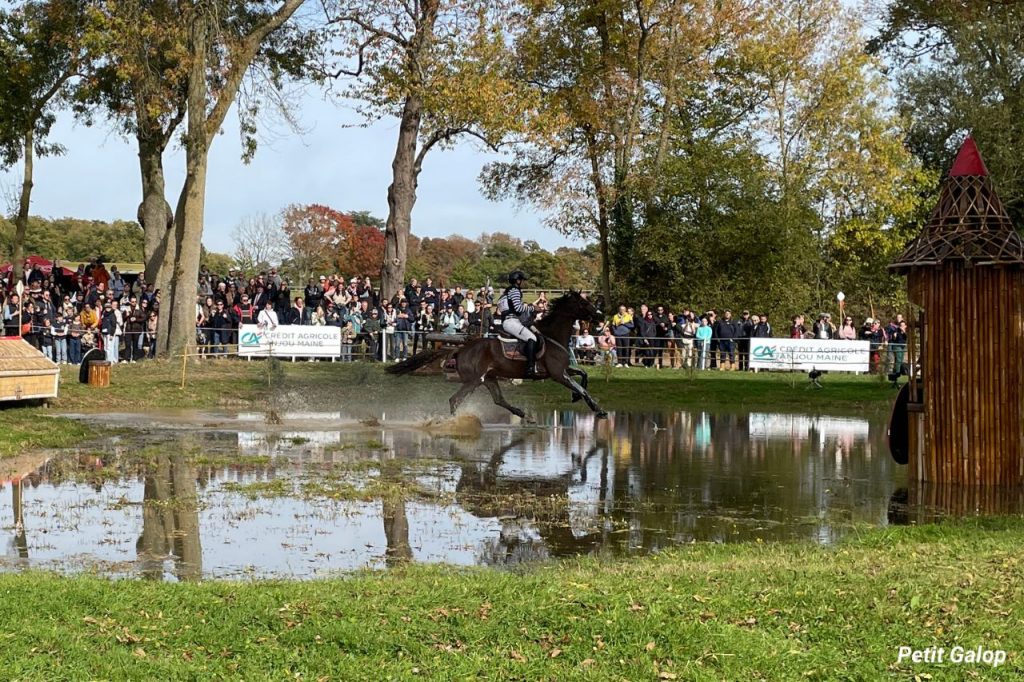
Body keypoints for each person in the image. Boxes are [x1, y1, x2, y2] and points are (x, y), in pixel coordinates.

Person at [497, 270, 540, 378]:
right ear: (518, 281)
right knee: (532, 338)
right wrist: (532, 308)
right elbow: (518, 309)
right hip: (511, 321)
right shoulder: (515, 291)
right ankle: (530, 367)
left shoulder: (505, 293)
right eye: (522, 280)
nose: (524, 283)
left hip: (508, 321)